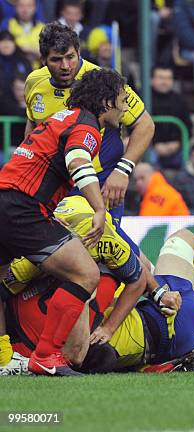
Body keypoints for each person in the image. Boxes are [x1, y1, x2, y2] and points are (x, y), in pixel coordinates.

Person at [0, 226, 194, 374]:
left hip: (160, 346)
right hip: (161, 327)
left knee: (172, 297)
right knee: (183, 242)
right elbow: (139, 273)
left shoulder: (20, 332)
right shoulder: (85, 278)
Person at [0, 68, 127, 376]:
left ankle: (5, 355)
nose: (124, 108)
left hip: (6, 200)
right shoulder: (87, 127)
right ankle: (46, 355)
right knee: (85, 273)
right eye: (122, 100)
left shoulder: (62, 118)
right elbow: (77, 161)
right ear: (107, 102)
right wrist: (99, 208)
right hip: (23, 208)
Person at [24, 23, 154, 237]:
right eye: (56, 60)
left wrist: (123, 170)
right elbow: (33, 126)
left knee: (102, 255)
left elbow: (145, 124)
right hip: (54, 187)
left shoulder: (103, 81)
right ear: (43, 60)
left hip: (100, 183)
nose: (65, 65)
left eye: (70, 56)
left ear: (79, 52)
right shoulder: (34, 82)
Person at [150, 64, 193, 170]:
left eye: (168, 78)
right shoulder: (143, 98)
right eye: (161, 78)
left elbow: (188, 127)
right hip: (151, 147)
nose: (164, 82)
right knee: (150, 160)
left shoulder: (180, 101)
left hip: (176, 148)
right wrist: (154, 144)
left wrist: (177, 143)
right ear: (152, 79)